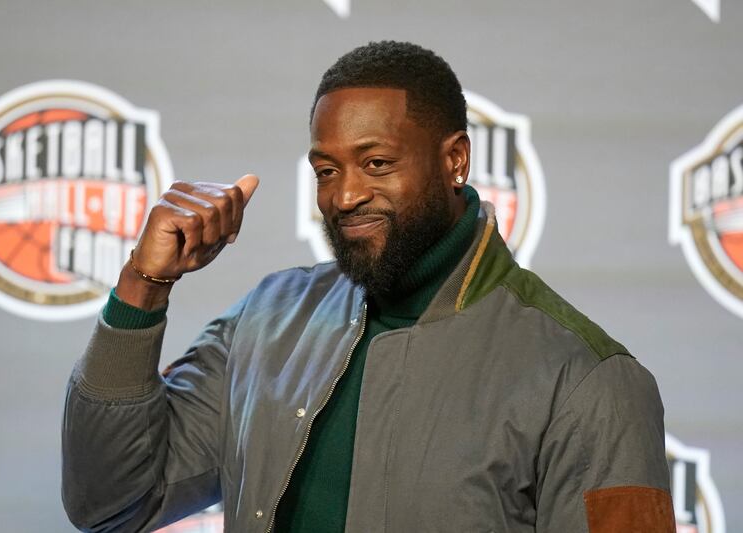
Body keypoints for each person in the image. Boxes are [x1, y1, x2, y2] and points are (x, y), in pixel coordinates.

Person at [62, 41, 676, 533]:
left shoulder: (589, 380)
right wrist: (144, 286)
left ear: (454, 160)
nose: (345, 196)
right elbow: (112, 502)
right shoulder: (267, 320)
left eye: (376, 163)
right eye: (327, 171)